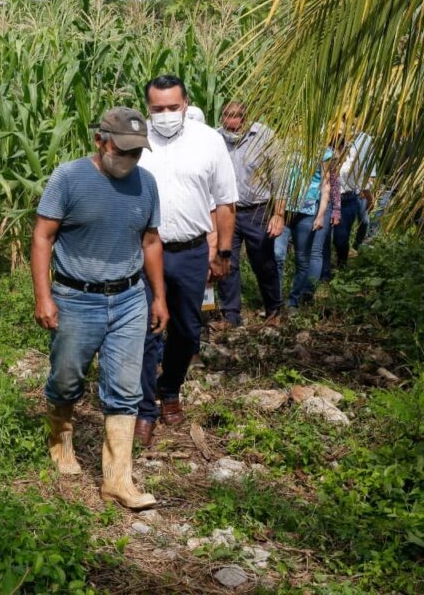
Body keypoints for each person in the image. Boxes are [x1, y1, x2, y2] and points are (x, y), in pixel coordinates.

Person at [31, 106, 169, 510]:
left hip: (129, 298)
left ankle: (118, 480)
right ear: (99, 141)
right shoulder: (68, 178)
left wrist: (159, 297)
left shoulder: (146, 183)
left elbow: (150, 241)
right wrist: (43, 296)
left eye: (136, 152)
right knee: (66, 378)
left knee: (126, 389)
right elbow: (43, 237)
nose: (128, 159)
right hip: (77, 297)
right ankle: (60, 437)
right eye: (121, 150)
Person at [133, 75, 238, 446]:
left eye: (173, 107)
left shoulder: (208, 141)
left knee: (188, 331)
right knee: (146, 330)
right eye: (157, 108)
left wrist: (222, 252)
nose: (165, 114)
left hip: (191, 251)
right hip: (144, 252)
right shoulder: (137, 142)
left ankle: (170, 388)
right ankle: (144, 409)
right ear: (148, 108)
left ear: (186, 103)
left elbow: (225, 201)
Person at [213, 101, 285, 329]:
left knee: (264, 263)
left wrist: (279, 214)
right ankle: (230, 315)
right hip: (227, 211)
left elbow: (280, 179)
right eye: (227, 117)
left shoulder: (265, 137)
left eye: (236, 117)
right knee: (227, 262)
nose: (231, 122)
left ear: (246, 119)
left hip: (258, 210)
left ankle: (274, 310)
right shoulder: (215, 139)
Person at [279, 147, 334, 308]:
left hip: (307, 212)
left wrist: (321, 215)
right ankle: (275, 302)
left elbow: (325, 185)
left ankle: (294, 301)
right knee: (277, 255)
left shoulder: (324, 152)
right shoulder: (285, 146)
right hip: (283, 210)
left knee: (302, 259)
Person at [332, 132, 376, 267]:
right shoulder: (329, 155)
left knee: (341, 238)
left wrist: (369, 199)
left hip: (347, 200)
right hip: (327, 199)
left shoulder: (355, 158)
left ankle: (342, 263)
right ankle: (325, 270)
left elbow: (365, 180)